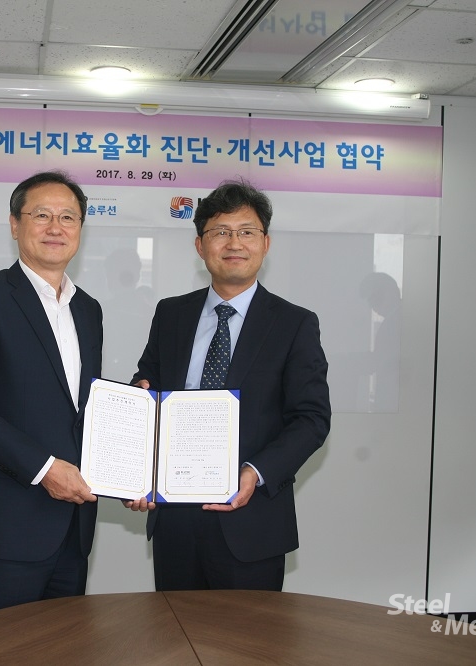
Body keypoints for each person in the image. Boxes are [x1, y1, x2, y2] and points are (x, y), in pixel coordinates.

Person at [125, 179, 331, 591]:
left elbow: (311, 419)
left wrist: (255, 472)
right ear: (200, 246)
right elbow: (148, 386)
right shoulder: (171, 314)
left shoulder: (294, 323)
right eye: (220, 232)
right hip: (174, 521)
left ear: (265, 244)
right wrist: (136, 421)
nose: (234, 243)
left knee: (247, 634)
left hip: (252, 522)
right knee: (174, 629)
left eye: (246, 232)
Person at [0, 171, 102, 616]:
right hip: (6, 523)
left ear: (80, 229)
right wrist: (44, 468)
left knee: (64, 645)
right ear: (15, 224)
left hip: (73, 527)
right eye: (41, 215)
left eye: (68, 217)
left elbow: (77, 408)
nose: (56, 227)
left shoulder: (88, 310)